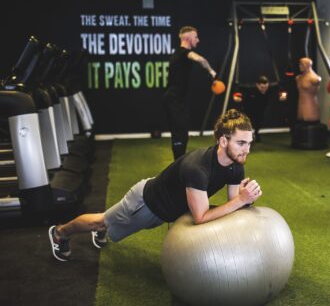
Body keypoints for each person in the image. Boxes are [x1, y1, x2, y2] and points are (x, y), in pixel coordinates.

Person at [48, 109, 262, 262]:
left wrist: (245, 198)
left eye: (249, 143)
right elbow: (201, 217)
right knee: (100, 221)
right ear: (223, 141)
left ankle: (100, 229)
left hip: (168, 211)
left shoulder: (236, 165)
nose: (247, 150)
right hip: (145, 204)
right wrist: (242, 200)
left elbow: (233, 203)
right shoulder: (197, 168)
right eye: (241, 143)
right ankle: (60, 232)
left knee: (109, 225)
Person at [163, 26, 217, 160]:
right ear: (187, 38)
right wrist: (211, 72)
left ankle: (179, 163)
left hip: (176, 99)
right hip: (174, 99)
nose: (198, 40)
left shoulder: (179, 54)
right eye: (195, 37)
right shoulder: (183, 52)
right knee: (179, 134)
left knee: (181, 133)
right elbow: (200, 59)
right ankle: (178, 166)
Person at [232, 75, 286, 142]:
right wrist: (236, 96)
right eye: (262, 87)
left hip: (261, 108)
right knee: (248, 122)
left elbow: (280, 89)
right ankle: (245, 136)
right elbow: (238, 88)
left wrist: (282, 95)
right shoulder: (250, 88)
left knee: (259, 121)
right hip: (249, 108)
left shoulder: (271, 88)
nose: (264, 89)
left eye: (265, 87)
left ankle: (256, 133)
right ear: (257, 85)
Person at [296, 57, 322, 123]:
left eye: (302, 64)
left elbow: (318, 80)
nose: (300, 66)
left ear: (308, 65)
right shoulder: (298, 78)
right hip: (301, 108)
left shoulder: (313, 78)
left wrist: (318, 79)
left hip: (310, 108)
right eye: (300, 64)